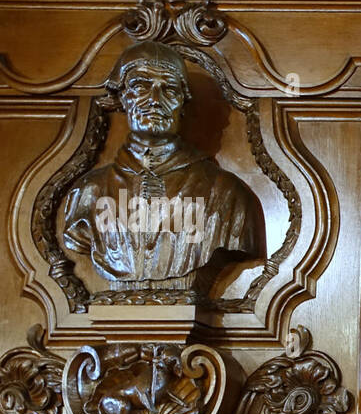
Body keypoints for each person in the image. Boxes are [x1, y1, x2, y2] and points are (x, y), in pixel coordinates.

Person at [61, 40, 263, 296]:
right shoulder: (88, 193)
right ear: (122, 97)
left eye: (169, 89)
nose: (155, 100)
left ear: (183, 102)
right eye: (141, 86)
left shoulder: (227, 195)